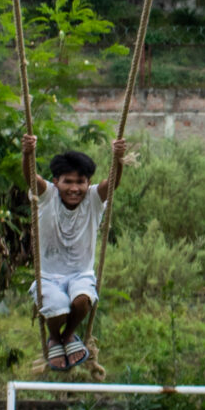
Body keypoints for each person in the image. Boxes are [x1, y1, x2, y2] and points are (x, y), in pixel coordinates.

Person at [22, 137, 132, 370]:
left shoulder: (92, 199)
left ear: (88, 182)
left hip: (80, 274)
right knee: (58, 308)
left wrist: (117, 159)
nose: (74, 188)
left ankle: (68, 335)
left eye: (80, 182)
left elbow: (112, 183)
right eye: (67, 182)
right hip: (49, 276)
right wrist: (27, 154)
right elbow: (31, 178)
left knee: (82, 302)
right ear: (55, 182)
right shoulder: (48, 196)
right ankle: (55, 337)